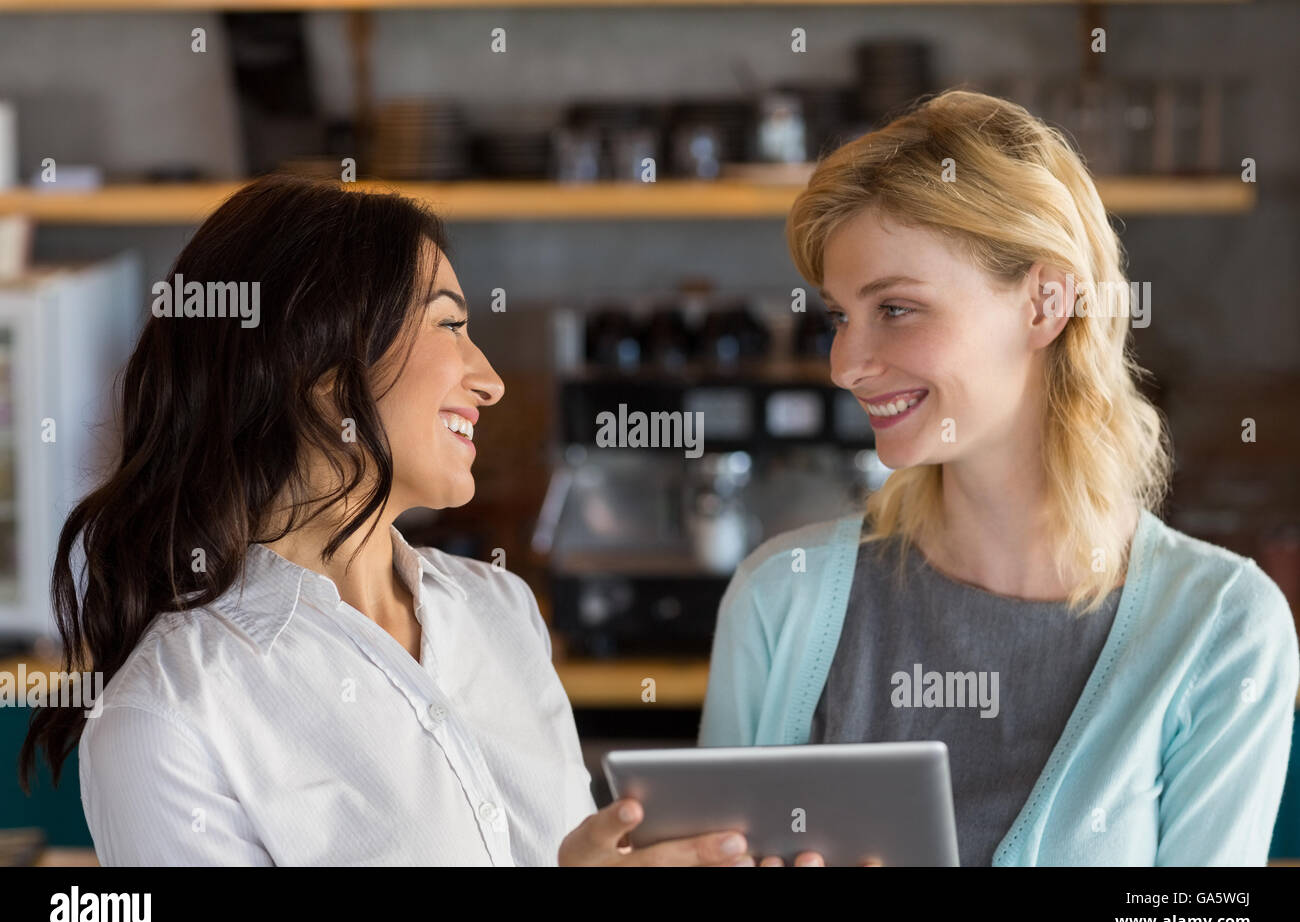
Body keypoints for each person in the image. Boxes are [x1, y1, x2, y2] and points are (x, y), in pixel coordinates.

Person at [19, 175, 759, 866]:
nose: (491, 381)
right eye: (449, 327)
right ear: (318, 364)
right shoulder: (166, 718)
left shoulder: (500, 611)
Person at [699, 89, 1299, 865]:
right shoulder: (781, 596)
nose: (845, 365)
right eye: (840, 316)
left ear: (1045, 302)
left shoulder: (1222, 627)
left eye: (898, 310)